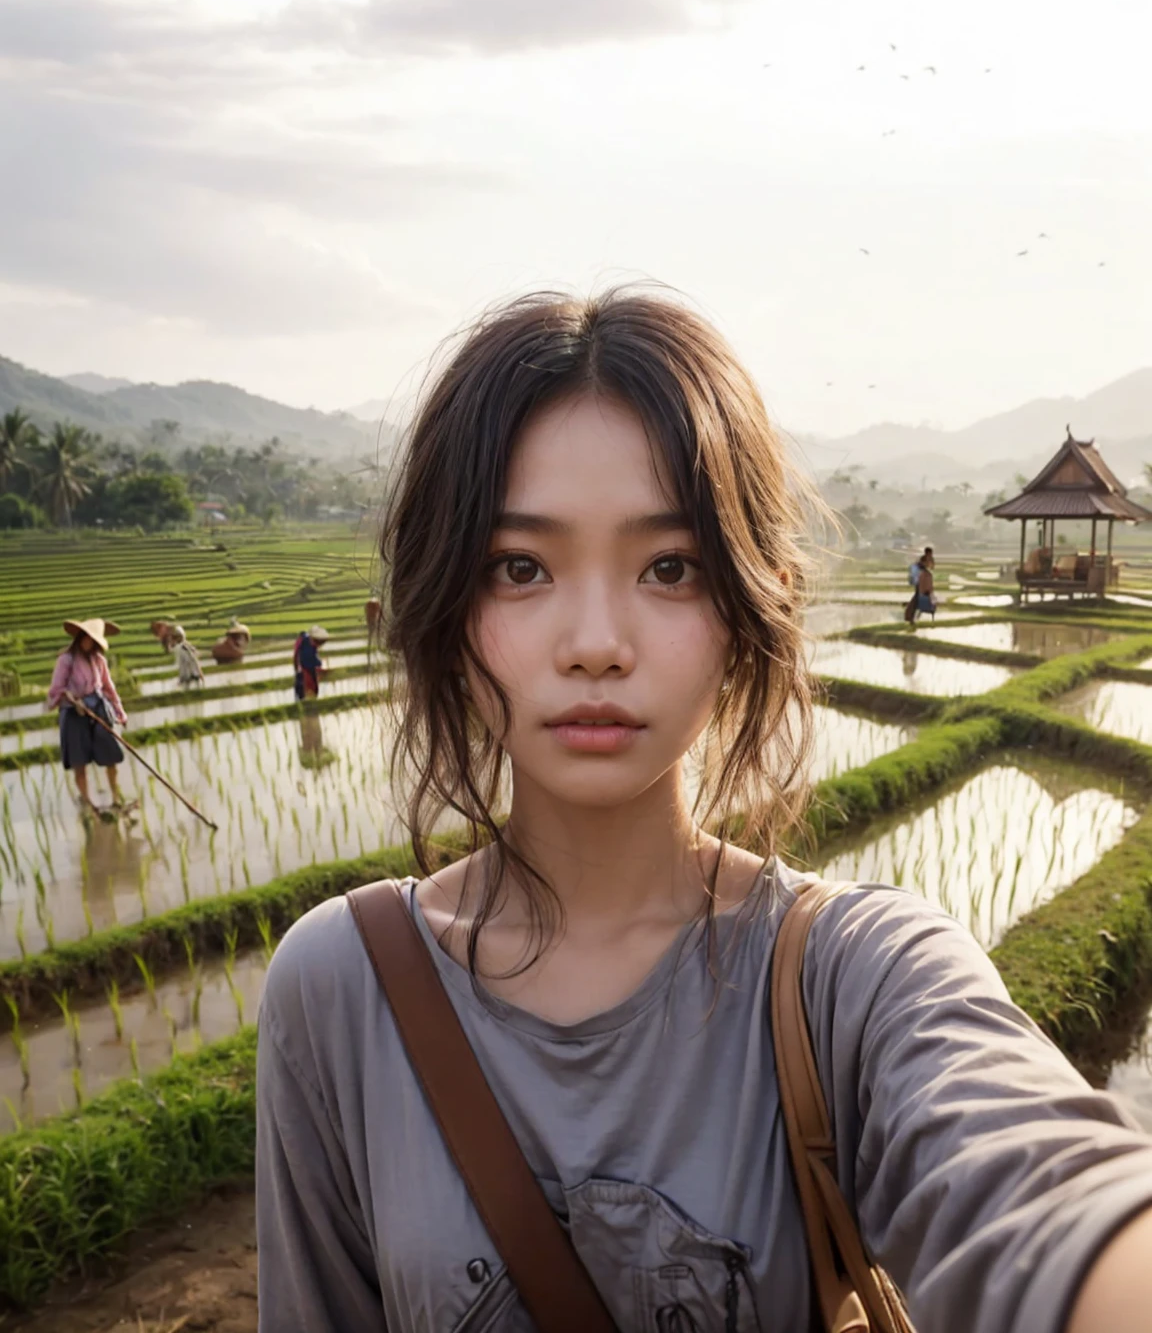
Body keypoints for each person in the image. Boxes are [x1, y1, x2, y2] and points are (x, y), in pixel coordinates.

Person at [256, 289, 1152, 1333]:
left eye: (668, 568)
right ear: (449, 603)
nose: (596, 641)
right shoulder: (341, 989)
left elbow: (1044, 1199)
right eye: (521, 567)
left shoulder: (852, 977)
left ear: (747, 604)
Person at [46, 617, 129, 817]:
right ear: (81, 638)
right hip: (74, 713)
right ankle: (89, 804)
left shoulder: (99, 660)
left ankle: (116, 798)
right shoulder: (66, 660)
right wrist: (72, 699)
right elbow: (56, 689)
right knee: (79, 761)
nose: (91, 644)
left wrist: (120, 711)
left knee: (111, 755)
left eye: (95, 641)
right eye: (89, 639)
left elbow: (109, 687)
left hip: (98, 709)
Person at [293, 625, 329, 700]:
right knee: (305, 699)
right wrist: (319, 666)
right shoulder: (306, 646)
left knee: (308, 699)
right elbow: (305, 661)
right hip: (305, 677)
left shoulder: (308, 643)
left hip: (306, 675)